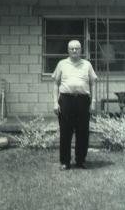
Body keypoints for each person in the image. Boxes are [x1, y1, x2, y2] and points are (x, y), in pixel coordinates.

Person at [52, 40, 98, 170]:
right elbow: (55, 84)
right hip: (66, 100)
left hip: (83, 101)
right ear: (68, 50)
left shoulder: (87, 64)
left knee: (83, 132)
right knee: (65, 132)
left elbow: (93, 83)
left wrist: (93, 101)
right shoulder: (62, 64)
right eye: (71, 48)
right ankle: (65, 161)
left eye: (77, 48)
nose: (74, 51)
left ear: (81, 50)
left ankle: (80, 160)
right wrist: (55, 102)